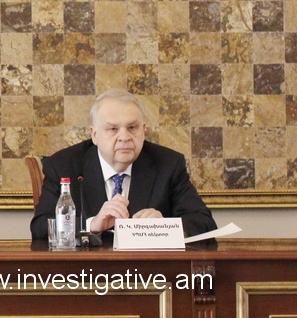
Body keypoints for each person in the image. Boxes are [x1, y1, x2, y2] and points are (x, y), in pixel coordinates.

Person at [31, 89, 216, 239]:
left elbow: (204, 223)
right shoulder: (63, 165)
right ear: (94, 135)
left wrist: (166, 226)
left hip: (149, 270)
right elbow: (40, 227)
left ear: (144, 130)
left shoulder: (168, 164)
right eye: (113, 129)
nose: (124, 137)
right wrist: (91, 225)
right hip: (86, 270)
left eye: (132, 128)